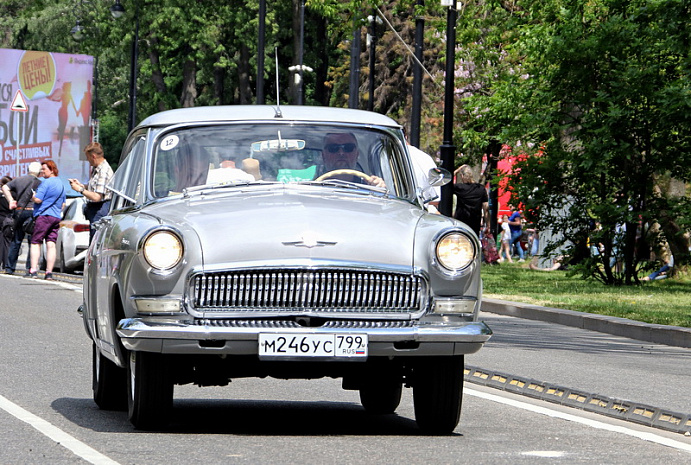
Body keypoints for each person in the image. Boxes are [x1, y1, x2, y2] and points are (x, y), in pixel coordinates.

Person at [2, 161, 43, 274]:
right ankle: (30, 268)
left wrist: (11, 200)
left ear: (28, 170)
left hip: (19, 211)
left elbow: (5, 187)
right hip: (33, 212)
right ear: (39, 172)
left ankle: (10, 268)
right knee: (33, 241)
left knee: (16, 240)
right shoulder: (40, 183)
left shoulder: (19, 180)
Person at [28, 161, 66, 280]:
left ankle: (33, 270)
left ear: (52, 169)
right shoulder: (61, 184)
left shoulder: (45, 182)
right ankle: (49, 272)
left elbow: (38, 199)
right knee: (51, 244)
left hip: (44, 216)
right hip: (56, 217)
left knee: (36, 242)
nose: (42, 171)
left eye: (44, 169)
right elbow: (63, 204)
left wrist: (33, 196)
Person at [69, 142, 114, 242]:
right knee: (93, 243)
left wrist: (80, 190)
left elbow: (97, 197)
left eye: (88, 157)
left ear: (93, 156)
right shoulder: (97, 169)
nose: (87, 160)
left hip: (100, 209)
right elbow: (95, 188)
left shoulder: (103, 171)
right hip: (96, 209)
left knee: (95, 242)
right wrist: (82, 185)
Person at [319, 132, 386, 187]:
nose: (341, 153)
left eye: (348, 148)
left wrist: (379, 187)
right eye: (333, 148)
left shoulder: (369, 188)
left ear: (357, 154)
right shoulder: (312, 186)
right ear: (323, 156)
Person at [452, 164, 490, 237]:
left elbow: (447, 184)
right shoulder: (481, 188)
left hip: (461, 221)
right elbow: (486, 208)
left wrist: (457, 170)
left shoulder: (460, 188)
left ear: (462, 176)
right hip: (475, 222)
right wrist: (488, 225)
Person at [0, 176, 13, 270]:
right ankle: (6, 263)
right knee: (7, 243)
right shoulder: (12, 196)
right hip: (8, 220)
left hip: (0, 218)